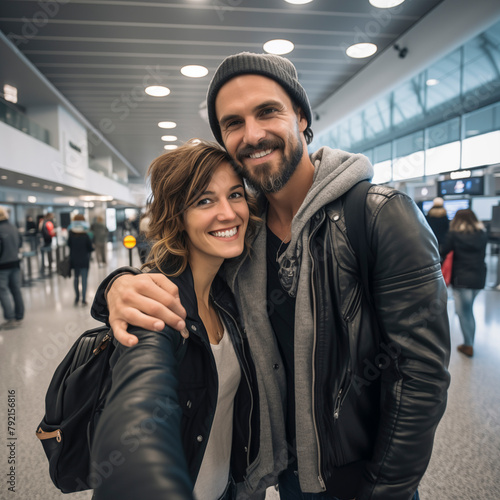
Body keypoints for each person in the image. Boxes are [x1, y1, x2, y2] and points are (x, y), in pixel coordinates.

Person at [92, 53, 451, 500]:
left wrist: (386, 489)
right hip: (285, 475)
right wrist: (117, 285)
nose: (253, 134)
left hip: (361, 480)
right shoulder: (243, 231)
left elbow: (421, 373)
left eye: (267, 111)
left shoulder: (378, 215)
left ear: (301, 117)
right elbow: (179, 265)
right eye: (233, 123)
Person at [91, 140, 260, 500]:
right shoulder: (158, 307)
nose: (229, 213)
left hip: (230, 488)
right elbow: (134, 411)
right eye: (204, 200)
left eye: (235, 194)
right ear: (177, 216)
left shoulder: (230, 290)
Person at [440, 209, 487, 357]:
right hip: (479, 277)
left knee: (463, 313)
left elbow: (442, 251)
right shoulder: (482, 234)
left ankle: (468, 345)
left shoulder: (454, 234)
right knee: (469, 310)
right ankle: (469, 343)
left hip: (461, 278)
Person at [0, 207, 24, 330]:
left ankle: (10, 318)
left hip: (2, 265)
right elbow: (20, 243)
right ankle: (19, 316)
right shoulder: (13, 227)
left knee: (3, 291)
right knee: (16, 290)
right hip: (15, 263)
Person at [67, 214, 93, 305]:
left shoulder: (71, 235)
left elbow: (69, 245)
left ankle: (77, 297)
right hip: (84, 260)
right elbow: (90, 248)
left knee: (76, 278)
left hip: (74, 259)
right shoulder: (86, 235)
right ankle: (84, 299)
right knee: (84, 279)